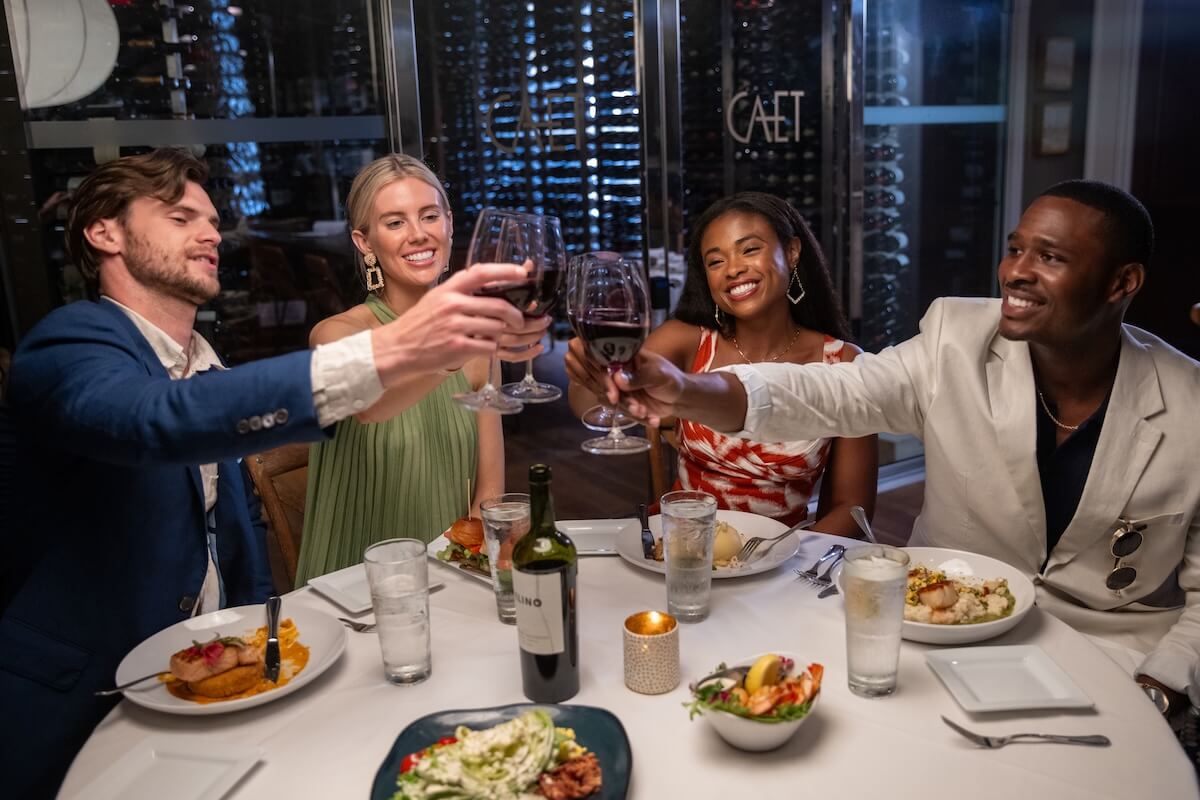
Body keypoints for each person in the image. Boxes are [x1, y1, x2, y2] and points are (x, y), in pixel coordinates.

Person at [0, 148, 548, 797]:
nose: (210, 233)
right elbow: (155, 422)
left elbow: (235, 548)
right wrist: (407, 346)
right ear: (104, 233)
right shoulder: (66, 347)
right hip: (78, 712)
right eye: (181, 217)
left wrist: (265, 658)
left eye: (211, 219)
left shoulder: (206, 367)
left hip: (211, 695)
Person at [594, 179, 1200, 718]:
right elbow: (829, 392)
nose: (1016, 271)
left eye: (1050, 257)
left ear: (1124, 283)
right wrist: (686, 389)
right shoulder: (954, 338)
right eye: (1015, 249)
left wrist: (1157, 689)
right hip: (942, 631)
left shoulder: (1190, 403)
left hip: (1117, 663)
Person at [567, 192, 877, 534]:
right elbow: (588, 408)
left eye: (749, 249)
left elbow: (853, 507)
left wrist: (790, 569)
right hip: (681, 545)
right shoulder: (686, 340)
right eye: (715, 261)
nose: (733, 269)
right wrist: (592, 375)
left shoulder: (843, 362)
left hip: (786, 556)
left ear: (791, 252)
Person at [295, 155, 503, 582]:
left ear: (449, 223)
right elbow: (375, 401)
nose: (418, 234)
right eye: (394, 223)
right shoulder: (335, 335)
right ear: (364, 242)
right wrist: (447, 358)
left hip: (451, 571)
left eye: (429, 216)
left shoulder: (480, 347)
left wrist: (462, 569)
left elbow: (490, 494)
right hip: (355, 583)